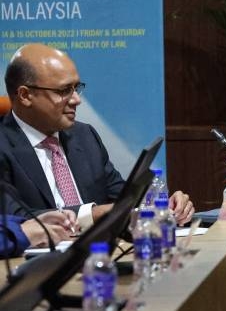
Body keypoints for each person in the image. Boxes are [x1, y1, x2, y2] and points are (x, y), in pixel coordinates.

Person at [0, 44, 195, 229]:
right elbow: (12, 220)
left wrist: (162, 205)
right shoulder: (4, 145)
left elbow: (120, 197)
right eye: (64, 91)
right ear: (25, 95)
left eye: (76, 88)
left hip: (101, 249)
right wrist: (92, 214)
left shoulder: (84, 135)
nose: (77, 100)